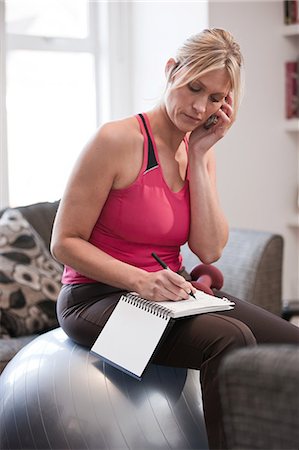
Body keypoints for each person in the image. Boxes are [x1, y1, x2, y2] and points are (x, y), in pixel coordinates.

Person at [51, 28, 299, 450]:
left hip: (170, 294)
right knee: (230, 339)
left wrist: (200, 155)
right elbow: (64, 242)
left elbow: (210, 249)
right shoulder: (116, 140)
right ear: (172, 71)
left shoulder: (199, 148)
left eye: (217, 98)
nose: (202, 106)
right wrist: (140, 280)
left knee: (291, 345)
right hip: (95, 299)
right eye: (194, 87)